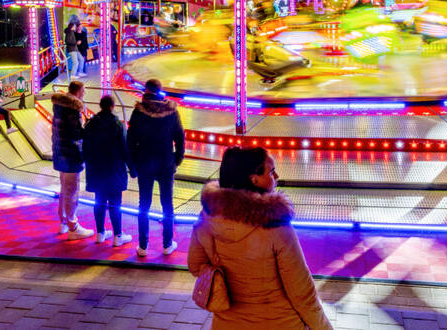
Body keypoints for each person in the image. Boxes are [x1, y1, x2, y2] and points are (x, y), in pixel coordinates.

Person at [188, 147, 333, 329]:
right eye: (271, 171)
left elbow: (195, 265)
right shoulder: (275, 226)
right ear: (254, 180)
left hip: (227, 323)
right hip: (278, 323)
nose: (277, 176)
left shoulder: (207, 217)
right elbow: (302, 293)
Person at [127, 78, 185, 256]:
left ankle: (143, 246)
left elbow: (130, 141)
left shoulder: (138, 112)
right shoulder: (172, 112)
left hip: (145, 164)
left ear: (146, 91)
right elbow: (180, 138)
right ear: (160, 91)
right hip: (166, 164)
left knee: (143, 205)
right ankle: (167, 244)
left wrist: (132, 165)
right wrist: (177, 160)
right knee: (167, 204)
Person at [82, 96, 132, 246]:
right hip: (114, 169)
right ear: (112, 106)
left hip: (96, 169)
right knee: (115, 203)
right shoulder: (118, 125)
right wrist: (133, 169)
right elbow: (125, 149)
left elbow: (85, 147)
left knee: (99, 201)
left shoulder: (91, 124)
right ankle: (118, 235)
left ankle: (100, 233)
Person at [51, 81, 93, 239]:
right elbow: (76, 134)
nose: (84, 93)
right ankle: (73, 226)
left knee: (64, 189)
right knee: (72, 191)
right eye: (83, 90)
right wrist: (88, 128)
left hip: (59, 151)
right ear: (78, 91)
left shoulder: (59, 106)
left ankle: (63, 222)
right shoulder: (72, 110)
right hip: (70, 155)